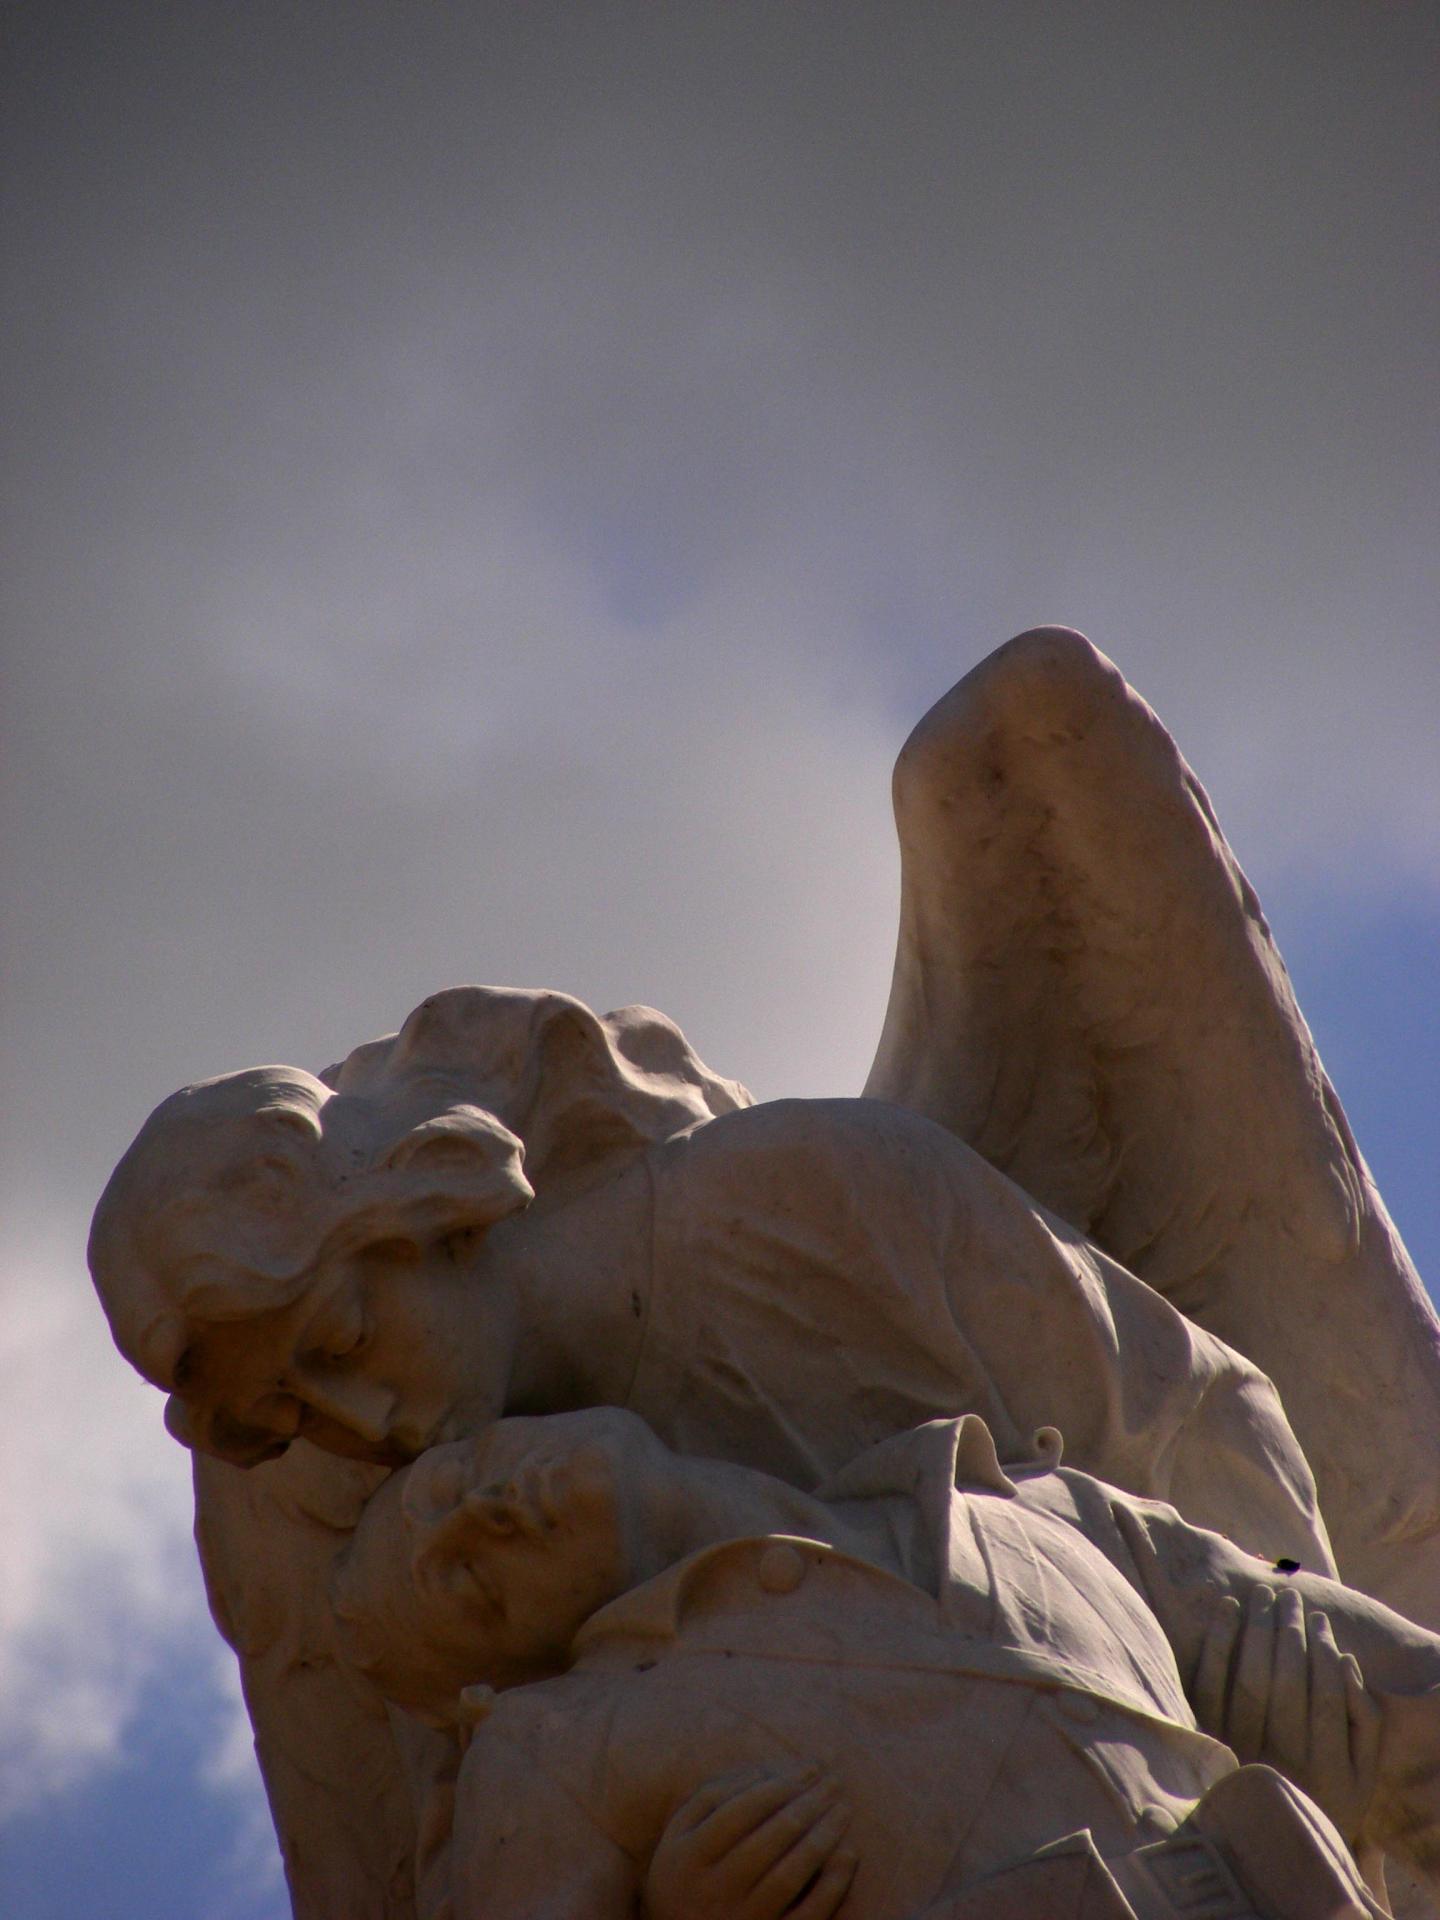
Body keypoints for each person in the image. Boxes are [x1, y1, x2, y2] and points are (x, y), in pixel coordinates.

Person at [89, 987, 1330, 1568]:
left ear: (417, 1208)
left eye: (347, 1335)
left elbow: (1200, 1435)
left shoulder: (812, 1195)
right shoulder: (463, 1546)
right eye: (299, 1417)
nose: (359, 1429)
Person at [330, 1407, 1440, 1919]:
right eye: (465, 1583)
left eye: (449, 1482)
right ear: (502, 1674)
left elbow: (1359, 1688)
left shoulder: (1023, 1504)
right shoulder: (552, 1745)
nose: (482, 1513)